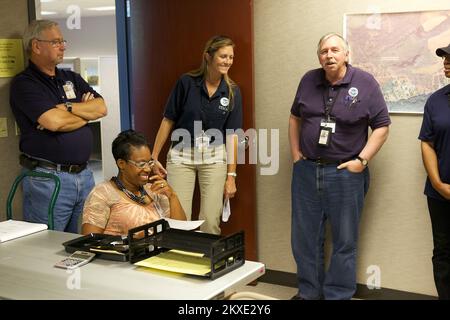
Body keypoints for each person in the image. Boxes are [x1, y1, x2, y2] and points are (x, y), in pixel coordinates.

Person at [288, 33, 391, 300]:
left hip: (344, 174)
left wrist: (362, 160)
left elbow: (382, 126)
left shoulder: (365, 83)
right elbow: (294, 117)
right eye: (324, 51)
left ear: (347, 54)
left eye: (335, 50)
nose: (329, 55)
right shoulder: (308, 80)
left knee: (345, 241)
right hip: (307, 171)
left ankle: (338, 295)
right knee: (304, 240)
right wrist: (296, 154)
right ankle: (308, 293)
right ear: (319, 56)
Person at [9, 20, 107, 233]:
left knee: (82, 244)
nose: (63, 46)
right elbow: (53, 122)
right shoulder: (25, 84)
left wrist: (67, 107)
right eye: (56, 42)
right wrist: (84, 111)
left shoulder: (70, 78)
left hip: (84, 175)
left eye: (62, 41)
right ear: (36, 46)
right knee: (46, 245)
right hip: (48, 179)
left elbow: (100, 108)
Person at [151, 35, 243, 235]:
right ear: (208, 57)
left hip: (214, 157)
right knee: (177, 219)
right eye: (223, 56)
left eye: (231, 57)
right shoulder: (186, 82)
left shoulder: (232, 91)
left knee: (210, 220)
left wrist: (231, 176)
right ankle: (179, 262)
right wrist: (154, 156)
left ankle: (205, 263)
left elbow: (233, 136)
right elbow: (168, 120)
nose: (228, 61)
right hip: (181, 156)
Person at [81, 130, 186, 236]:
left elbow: (181, 233)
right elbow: (90, 242)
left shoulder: (155, 190)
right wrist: (134, 240)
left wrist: (172, 196)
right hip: (123, 252)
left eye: (149, 162)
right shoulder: (102, 193)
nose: (148, 169)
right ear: (121, 164)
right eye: (141, 164)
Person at [418, 43, 450, 300]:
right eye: (444, 58)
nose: (446, 62)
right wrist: (439, 184)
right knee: (443, 252)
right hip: (441, 194)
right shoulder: (436, 100)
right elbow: (426, 143)